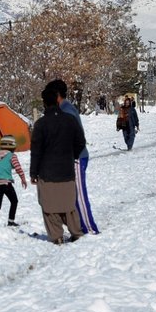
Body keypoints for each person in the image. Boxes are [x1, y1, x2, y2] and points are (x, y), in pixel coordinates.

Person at [30, 86, 87, 245]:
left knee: (49, 206)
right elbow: (81, 141)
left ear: (44, 103)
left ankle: (57, 236)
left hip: (47, 171)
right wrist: (72, 155)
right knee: (68, 204)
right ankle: (76, 232)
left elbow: (36, 151)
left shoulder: (40, 124)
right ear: (57, 100)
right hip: (66, 169)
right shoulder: (70, 120)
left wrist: (33, 173)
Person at [50, 79, 99, 235]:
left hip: (76, 158)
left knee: (79, 196)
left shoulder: (67, 110)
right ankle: (80, 228)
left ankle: (90, 229)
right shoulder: (62, 109)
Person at [0, 135, 28, 228]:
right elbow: (18, 168)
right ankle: (11, 222)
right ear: (12, 146)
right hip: (6, 183)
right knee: (14, 201)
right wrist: (23, 179)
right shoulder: (12, 156)